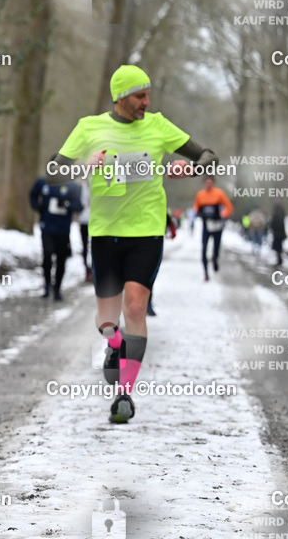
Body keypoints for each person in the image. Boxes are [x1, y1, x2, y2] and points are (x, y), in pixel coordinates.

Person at [48, 65, 218, 423]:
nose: (147, 102)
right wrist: (83, 165)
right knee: (108, 320)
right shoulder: (89, 128)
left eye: (148, 95)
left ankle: (124, 394)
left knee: (136, 307)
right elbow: (53, 170)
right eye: (141, 96)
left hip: (146, 231)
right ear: (121, 97)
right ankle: (113, 345)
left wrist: (188, 168)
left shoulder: (157, 126)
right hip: (105, 233)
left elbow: (208, 155)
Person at [29, 161, 81, 301]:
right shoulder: (43, 183)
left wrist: (68, 205)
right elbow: (33, 195)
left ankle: (57, 288)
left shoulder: (72, 186)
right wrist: (38, 207)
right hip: (47, 227)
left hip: (63, 230)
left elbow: (79, 205)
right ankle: (46, 285)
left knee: (61, 259)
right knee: (47, 255)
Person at [193, 176, 233, 281]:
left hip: (217, 225)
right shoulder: (200, 195)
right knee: (204, 248)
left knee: (216, 247)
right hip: (206, 225)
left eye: (210, 182)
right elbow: (196, 208)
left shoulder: (219, 193)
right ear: (204, 183)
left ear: (213, 183)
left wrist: (223, 215)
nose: (208, 184)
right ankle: (206, 273)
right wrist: (199, 214)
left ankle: (215, 259)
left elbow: (229, 206)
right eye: (207, 182)